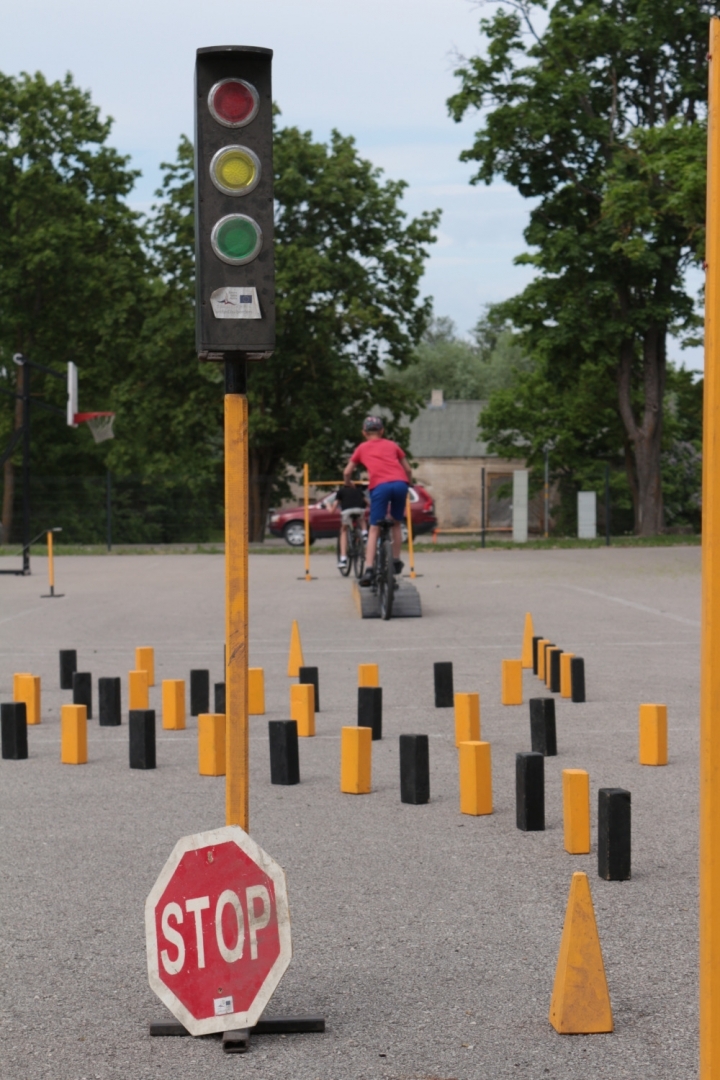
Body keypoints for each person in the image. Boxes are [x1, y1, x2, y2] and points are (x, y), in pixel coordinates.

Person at [343, 416, 412, 586]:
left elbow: (347, 472)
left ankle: (369, 570)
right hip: (400, 483)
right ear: (382, 431)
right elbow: (408, 469)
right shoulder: (392, 445)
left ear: (364, 433)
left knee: (374, 529)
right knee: (396, 523)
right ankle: (395, 561)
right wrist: (406, 483)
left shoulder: (361, 448)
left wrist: (348, 484)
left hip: (380, 486)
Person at [329, 483, 367, 569]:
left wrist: (327, 505)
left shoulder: (340, 491)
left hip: (347, 512)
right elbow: (367, 502)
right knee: (362, 519)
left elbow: (332, 510)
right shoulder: (358, 491)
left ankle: (343, 559)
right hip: (359, 510)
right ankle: (364, 534)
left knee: (344, 530)